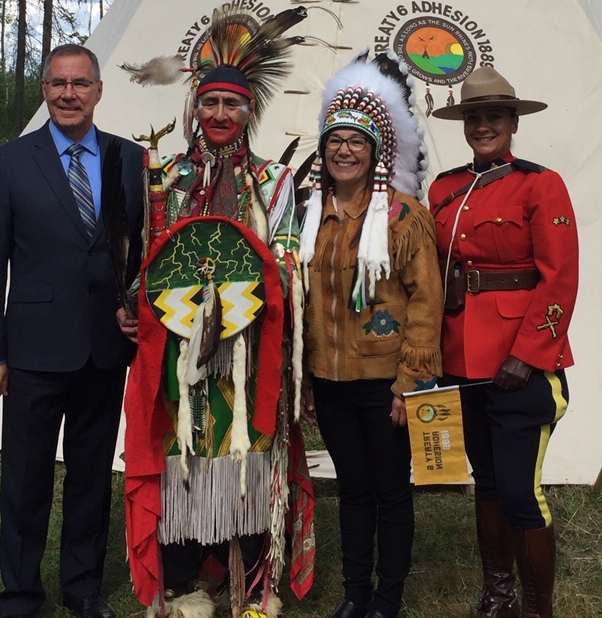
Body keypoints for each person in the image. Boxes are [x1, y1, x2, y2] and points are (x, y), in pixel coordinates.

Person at [119, 8, 313, 618]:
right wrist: (135, 302)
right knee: (185, 452)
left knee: (250, 453)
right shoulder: (166, 179)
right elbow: (150, 259)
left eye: (234, 104)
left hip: (252, 347)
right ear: (194, 110)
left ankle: (256, 581)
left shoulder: (274, 182)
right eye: (211, 104)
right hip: (180, 349)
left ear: (250, 111)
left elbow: (283, 258)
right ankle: (184, 582)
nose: (222, 115)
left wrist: (245, 300)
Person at [0, 44, 144, 618]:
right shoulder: (10, 162)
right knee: (25, 481)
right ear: (45, 90)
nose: (68, 94)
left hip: (104, 347)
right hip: (33, 351)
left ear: (98, 90)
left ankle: (83, 588)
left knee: (92, 478)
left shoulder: (131, 160)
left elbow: (141, 254)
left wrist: (136, 307)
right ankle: (19, 593)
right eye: (58, 84)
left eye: (80, 84)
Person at [429, 67, 578, 618]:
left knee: (519, 491)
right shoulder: (443, 188)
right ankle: (499, 595)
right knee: (487, 482)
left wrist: (530, 354)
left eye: (494, 116)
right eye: (474, 117)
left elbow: (560, 276)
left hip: (522, 358)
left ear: (513, 122)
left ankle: (540, 607)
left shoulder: (541, 183)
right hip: (461, 352)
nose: (483, 125)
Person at [299, 51, 444, 618]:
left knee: (390, 491)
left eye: (357, 140)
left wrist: (411, 381)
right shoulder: (307, 213)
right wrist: (305, 376)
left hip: (386, 379)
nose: (344, 149)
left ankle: (389, 597)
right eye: (335, 138)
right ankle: (356, 593)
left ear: (376, 149)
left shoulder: (403, 217)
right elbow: (302, 303)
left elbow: (427, 304)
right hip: (331, 379)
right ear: (323, 146)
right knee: (353, 491)